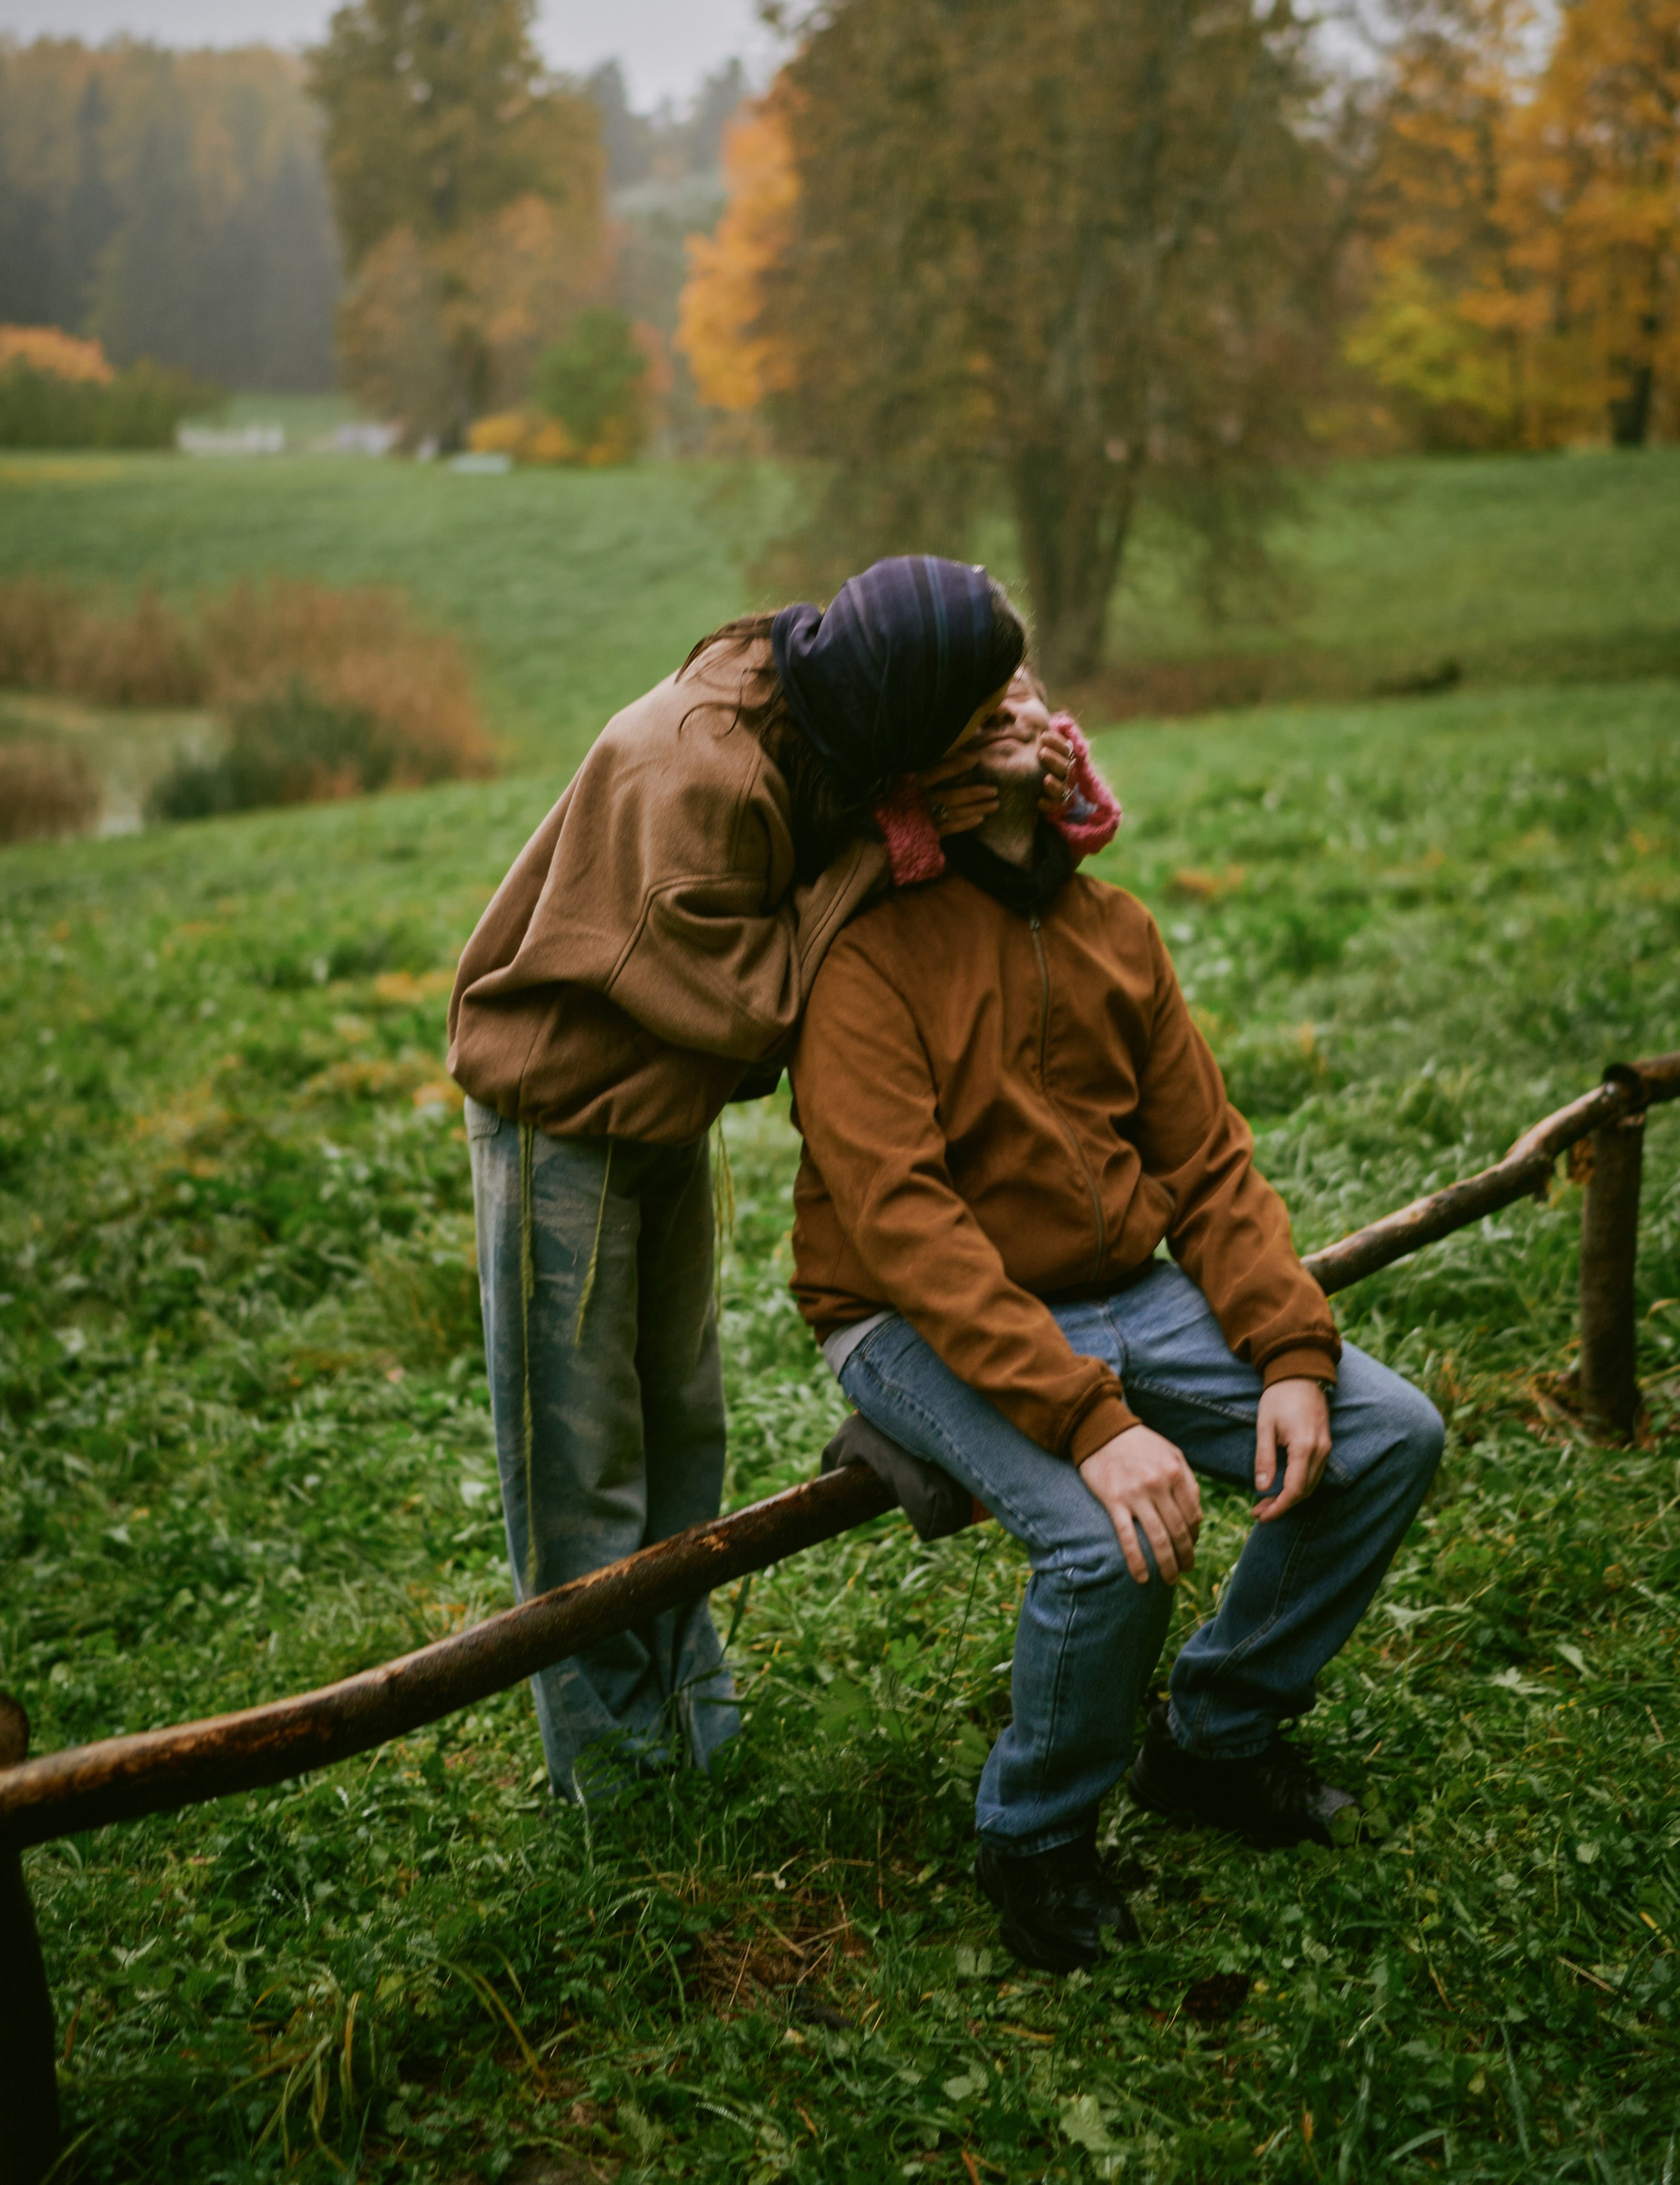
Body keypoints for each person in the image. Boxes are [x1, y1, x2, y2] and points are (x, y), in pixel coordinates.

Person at [787, 668, 1446, 1972]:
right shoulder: (867, 957)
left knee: (1389, 1435)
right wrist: (1089, 1417)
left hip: (1124, 1287)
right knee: (1110, 1546)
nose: (1031, 722)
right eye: (988, 714)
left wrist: (1292, 1351)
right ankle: (1033, 1836)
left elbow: (1207, 1165)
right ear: (934, 772)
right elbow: (907, 1228)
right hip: (904, 1312)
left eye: (1033, 699)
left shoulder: (1118, 931)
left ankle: (1211, 1741)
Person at [448, 557, 1057, 1801]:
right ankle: (612, 1776)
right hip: (559, 1116)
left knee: (681, 1429)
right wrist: (894, 845)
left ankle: (690, 1711)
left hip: (654, 1114)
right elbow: (757, 1003)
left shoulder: (814, 702)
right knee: (579, 1464)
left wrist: (995, 773)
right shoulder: (699, 770)